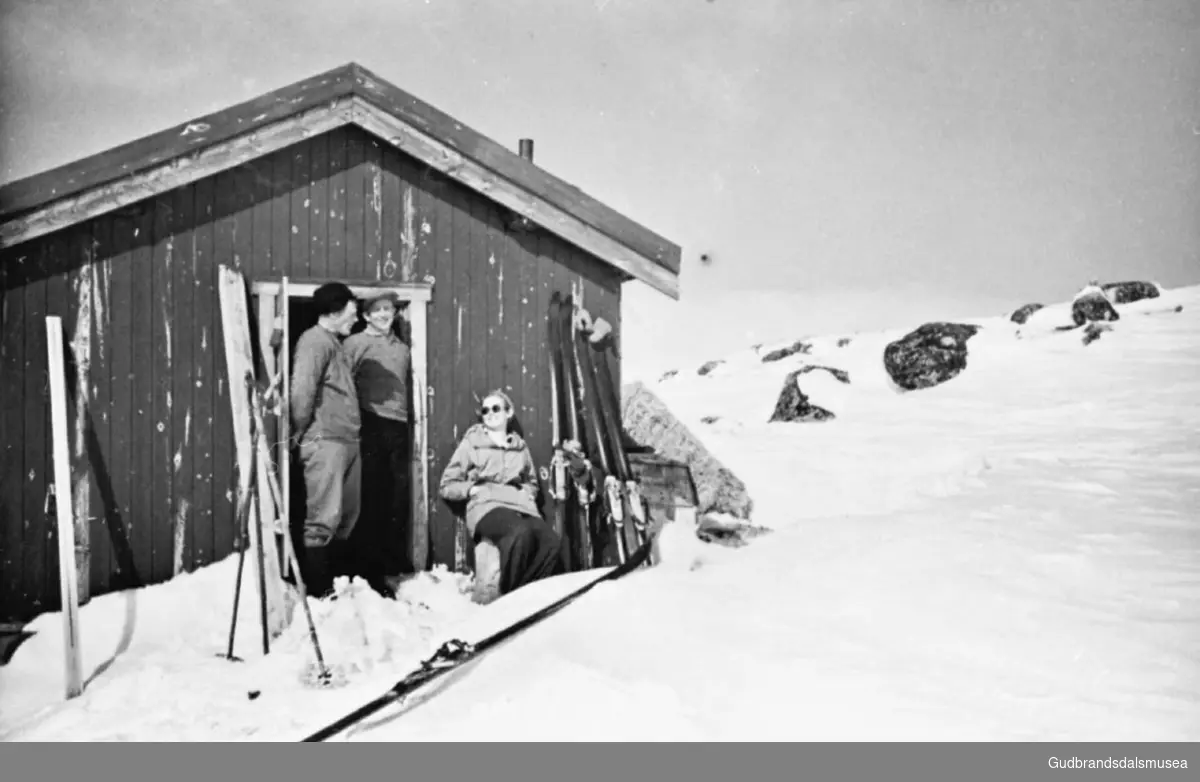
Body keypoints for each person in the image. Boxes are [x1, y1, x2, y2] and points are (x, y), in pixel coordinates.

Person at [438, 390, 565, 596]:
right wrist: (471, 489)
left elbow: (532, 481)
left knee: (551, 542)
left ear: (509, 412)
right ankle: (510, 597)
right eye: (485, 410)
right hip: (487, 505)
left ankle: (531, 594)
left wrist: (527, 493)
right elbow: (447, 484)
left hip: (520, 505)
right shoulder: (472, 442)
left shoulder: (520, 447)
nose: (489, 413)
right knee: (519, 534)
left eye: (496, 408)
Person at [290, 282, 362, 598]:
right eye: (351, 313)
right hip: (325, 440)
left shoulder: (335, 343)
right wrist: (298, 430)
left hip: (347, 440)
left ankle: (337, 585)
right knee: (323, 519)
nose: (355, 319)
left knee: (346, 516)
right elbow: (302, 392)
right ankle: (319, 592)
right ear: (333, 312)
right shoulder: (313, 342)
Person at [343, 291, 412, 598]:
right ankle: (365, 569)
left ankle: (388, 564)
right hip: (370, 424)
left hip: (399, 426)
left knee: (395, 498)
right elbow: (340, 384)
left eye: (389, 309)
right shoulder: (355, 344)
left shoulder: (402, 347)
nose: (385, 314)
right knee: (370, 498)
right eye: (378, 309)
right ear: (366, 315)